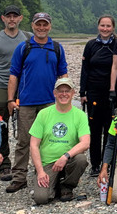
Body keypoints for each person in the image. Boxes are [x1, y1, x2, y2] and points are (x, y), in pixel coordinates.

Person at [6, 12, 69, 193]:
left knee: (50, 141)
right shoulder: (23, 47)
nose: (42, 28)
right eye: (38, 24)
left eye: (45, 24)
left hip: (50, 103)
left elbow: (63, 74)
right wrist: (11, 99)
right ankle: (19, 177)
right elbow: (13, 75)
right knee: (24, 140)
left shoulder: (56, 48)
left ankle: (47, 174)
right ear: (33, 26)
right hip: (26, 102)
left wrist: (65, 96)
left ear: (50, 26)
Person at [0, 5, 31, 181]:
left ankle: (26, 162)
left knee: (26, 125)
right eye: (8, 16)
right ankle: (4, 163)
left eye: (15, 16)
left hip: (23, 87)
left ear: (20, 18)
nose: (12, 19)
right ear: (3, 18)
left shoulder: (28, 38)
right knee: (1, 125)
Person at [29, 77, 90, 205]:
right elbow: (34, 145)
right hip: (48, 163)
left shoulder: (80, 115)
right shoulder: (43, 114)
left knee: (81, 160)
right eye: (60, 91)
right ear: (54, 93)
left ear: (73, 93)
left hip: (68, 160)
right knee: (41, 199)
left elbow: (85, 143)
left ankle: (67, 186)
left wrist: (65, 156)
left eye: (67, 91)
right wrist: (40, 171)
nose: (64, 94)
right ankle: (55, 184)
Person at [81, 15, 117, 177]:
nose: (105, 29)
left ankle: (107, 163)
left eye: (108, 26)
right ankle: (95, 165)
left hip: (110, 94)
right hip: (93, 93)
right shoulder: (90, 45)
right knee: (94, 131)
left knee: (110, 130)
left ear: (113, 28)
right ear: (98, 27)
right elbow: (85, 70)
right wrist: (83, 92)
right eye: (102, 25)